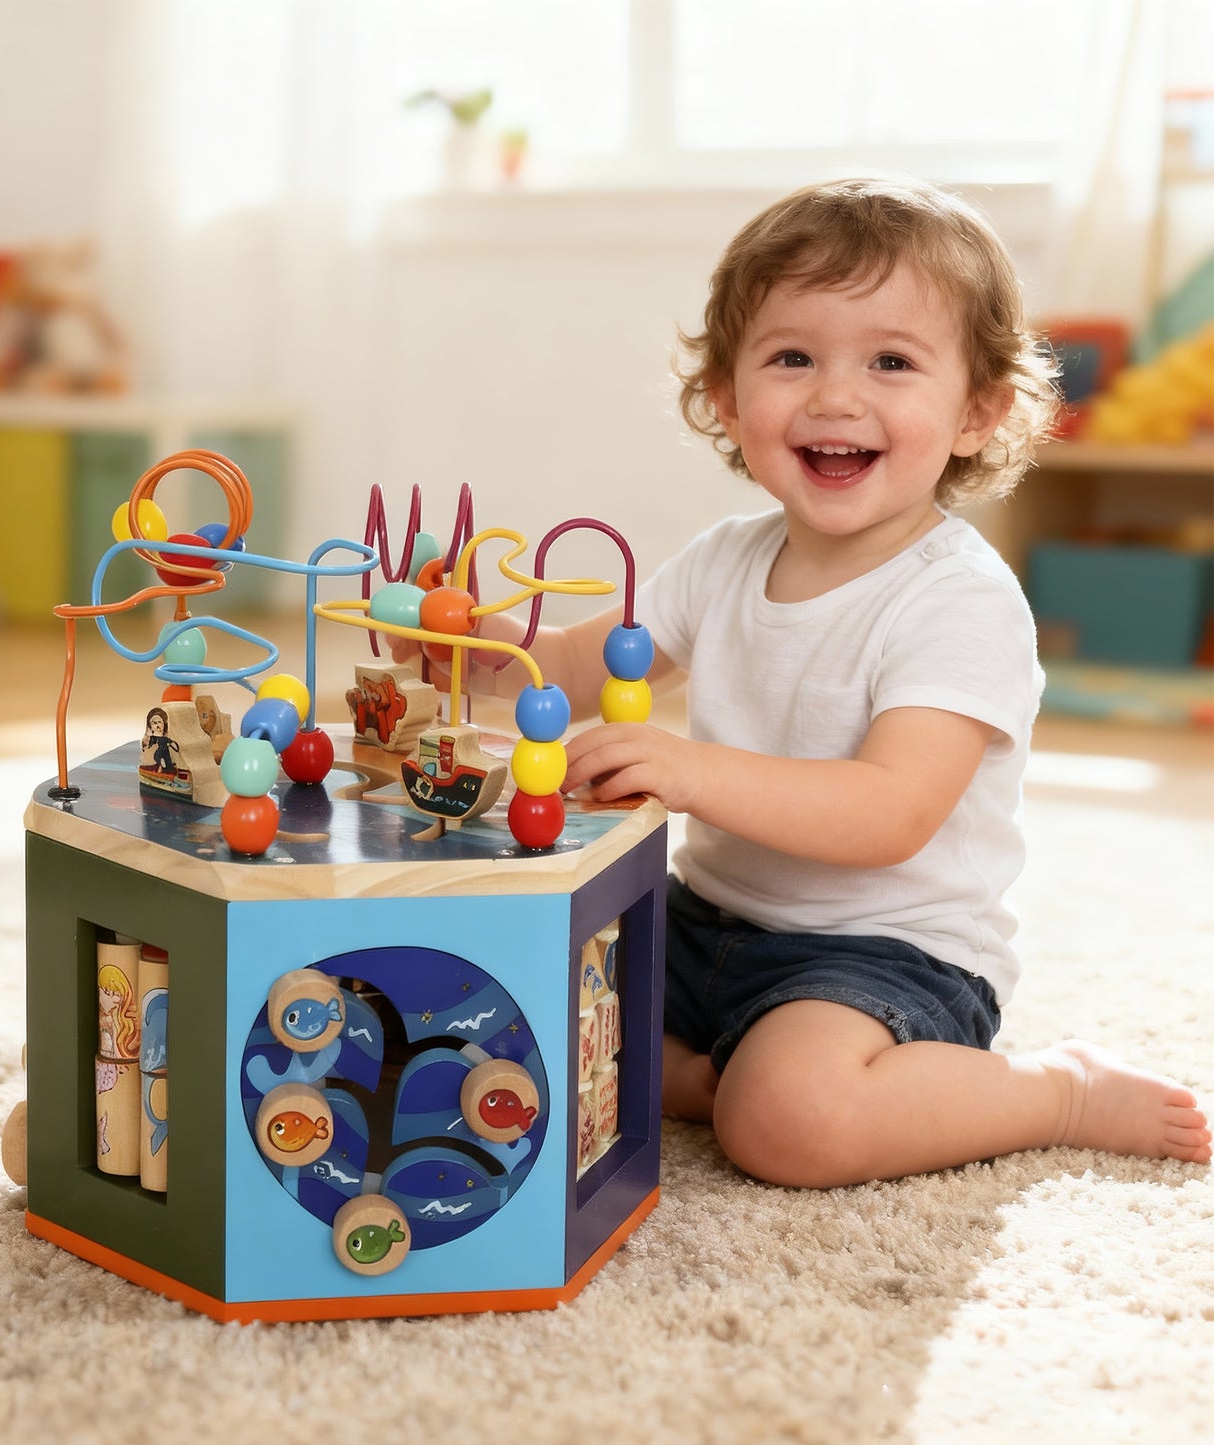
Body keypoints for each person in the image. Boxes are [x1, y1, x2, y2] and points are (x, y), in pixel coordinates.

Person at [399, 177, 1211, 1187]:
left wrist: (691, 768)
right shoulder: (721, 559)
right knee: (500, 1017)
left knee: (791, 1123)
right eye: (791, 357)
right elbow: (572, 662)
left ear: (976, 411)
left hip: (883, 956)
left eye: (890, 360)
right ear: (727, 402)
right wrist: (472, 648)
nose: (835, 394)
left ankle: (1055, 1087)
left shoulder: (958, 600)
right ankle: (703, 1071)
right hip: (706, 922)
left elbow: (887, 813)